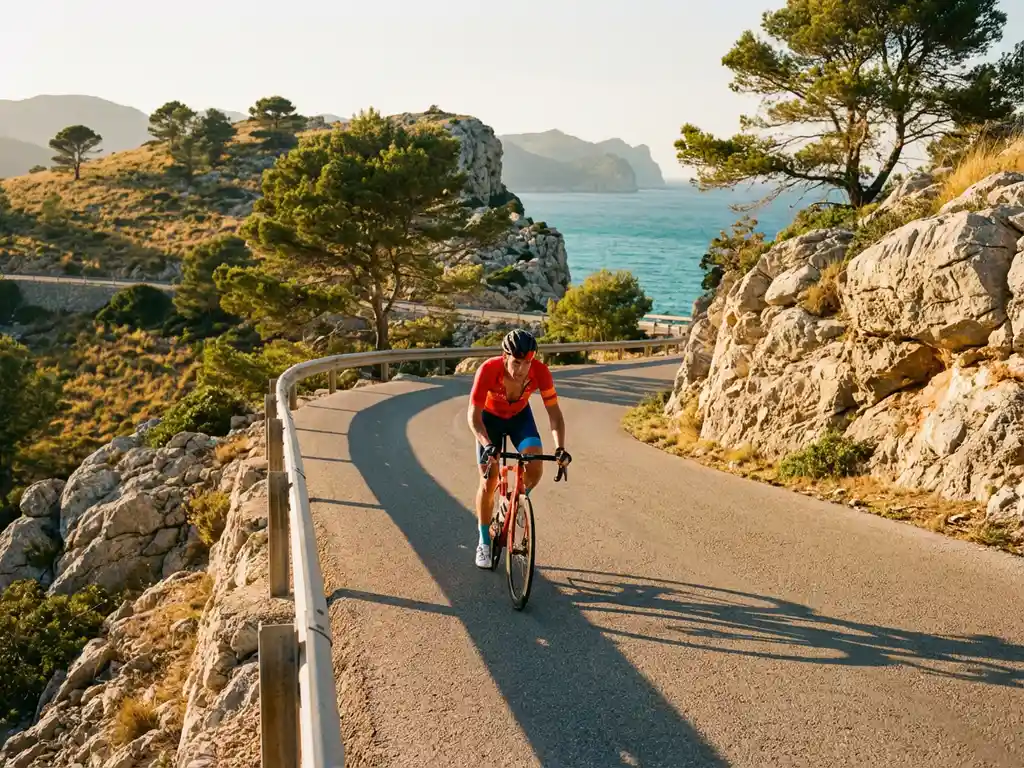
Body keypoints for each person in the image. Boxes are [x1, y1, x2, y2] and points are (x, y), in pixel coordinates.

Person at [467, 328, 571, 568]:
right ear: (505, 356)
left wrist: (560, 448)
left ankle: (516, 502)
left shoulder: (541, 372)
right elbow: (473, 416)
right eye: (516, 362)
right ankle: (483, 541)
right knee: (488, 480)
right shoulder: (488, 370)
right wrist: (487, 445)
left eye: (527, 363)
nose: (522, 369)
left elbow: (554, 415)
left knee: (535, 466)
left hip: (519, 419)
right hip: (489, 421)